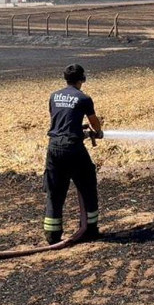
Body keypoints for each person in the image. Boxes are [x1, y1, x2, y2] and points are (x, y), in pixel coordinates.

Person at [43, 64, 103, 244]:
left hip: (54, 148)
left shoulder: (54, 96)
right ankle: (90, 229)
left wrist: (79, 129)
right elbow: (95, 123)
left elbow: (60, 120)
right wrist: (97, 132)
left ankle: (52, 235)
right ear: (82, 79)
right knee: (87, 185)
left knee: (55, 192)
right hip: (73, 148)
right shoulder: (84, 98)